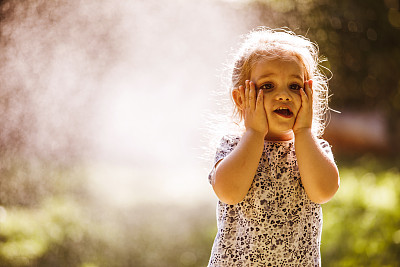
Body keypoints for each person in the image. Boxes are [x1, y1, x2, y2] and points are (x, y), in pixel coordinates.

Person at [207, 27, 340, 266]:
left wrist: (303, 132)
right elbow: (229, 191)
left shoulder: (313, 149)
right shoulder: (233, 145)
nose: (283, 95)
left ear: (309, 95)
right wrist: (255, 133)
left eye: (295, 86)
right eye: (268, 86)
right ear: (241, 98)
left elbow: (323, 191)